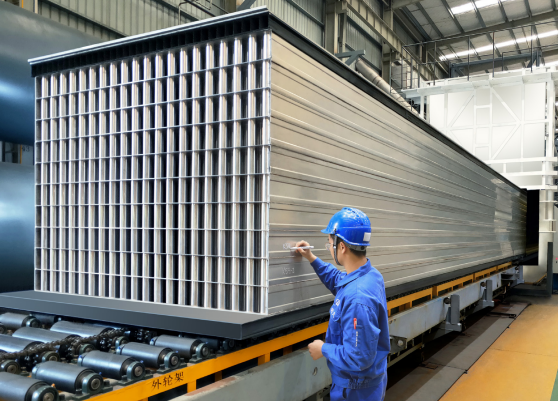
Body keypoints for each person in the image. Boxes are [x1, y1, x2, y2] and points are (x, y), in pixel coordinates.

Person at [296, 207, 389, 401]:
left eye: (330, 243)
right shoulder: (370, 275)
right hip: (367, 384)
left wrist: (323, 349)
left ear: (342, 247)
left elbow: (359, 358)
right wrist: (311, 258)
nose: (329, 247)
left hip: (356, 391)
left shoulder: (357, 299)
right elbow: (338, 280)